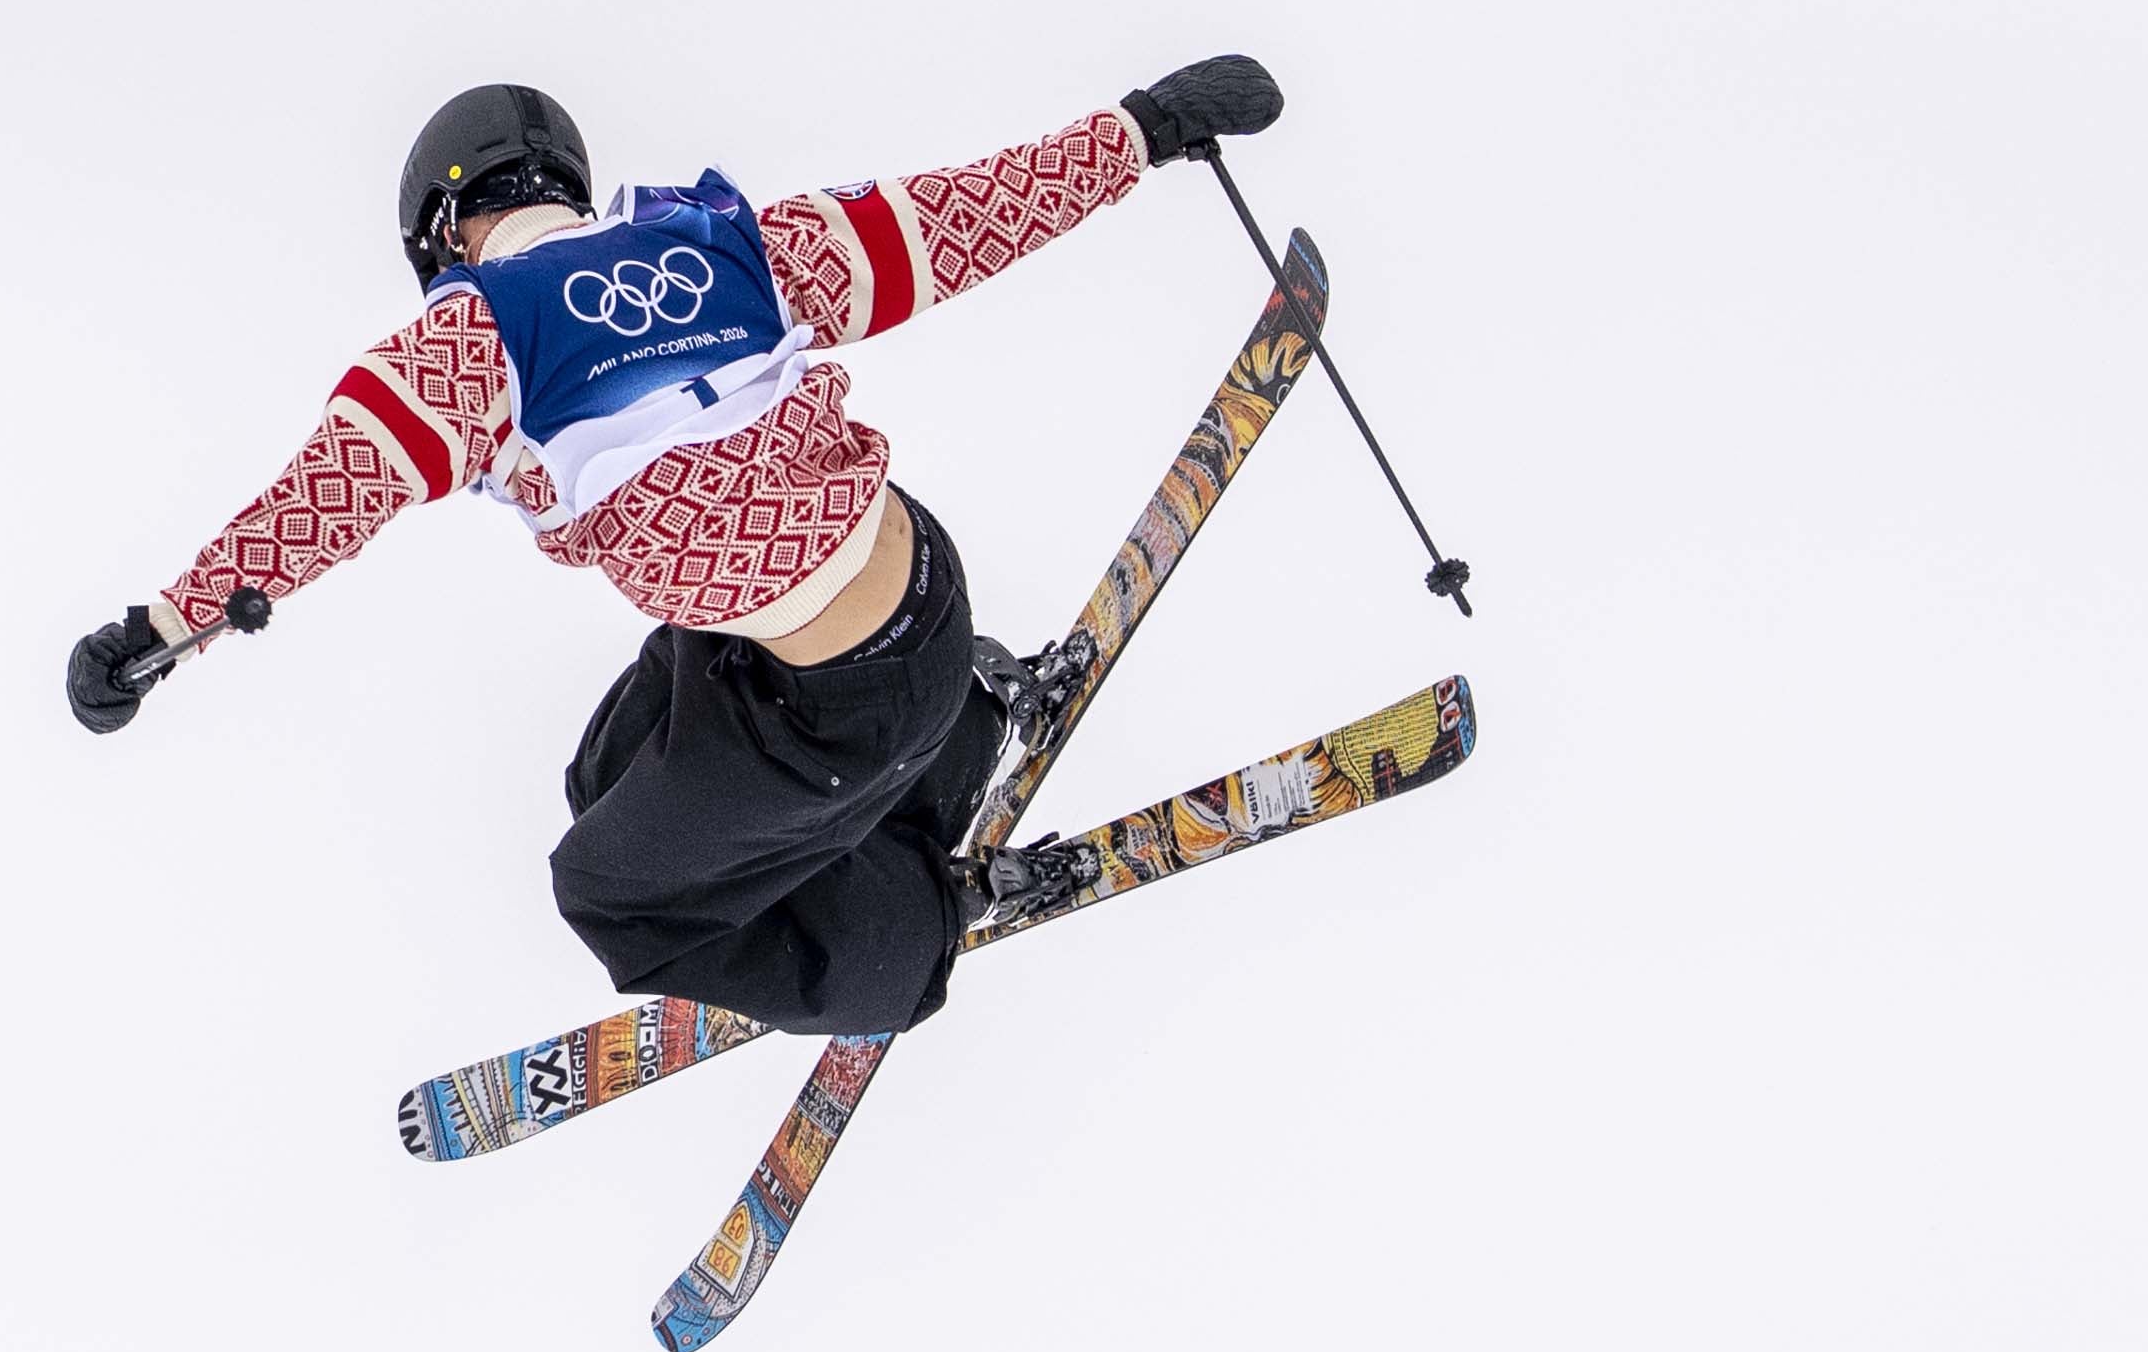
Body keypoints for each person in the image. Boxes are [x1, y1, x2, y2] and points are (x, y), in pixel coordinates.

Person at [66, 56, 1285, 1037]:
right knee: (607, 777)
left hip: (840, 710)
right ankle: (958, 721)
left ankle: (925, 920)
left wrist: (158, 634)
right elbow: (958, 217)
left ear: (444, 231)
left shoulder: (469, 343)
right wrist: (1147, 126)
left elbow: (323, 497)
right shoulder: (720, 242)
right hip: (914, 590)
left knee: (614, 898)